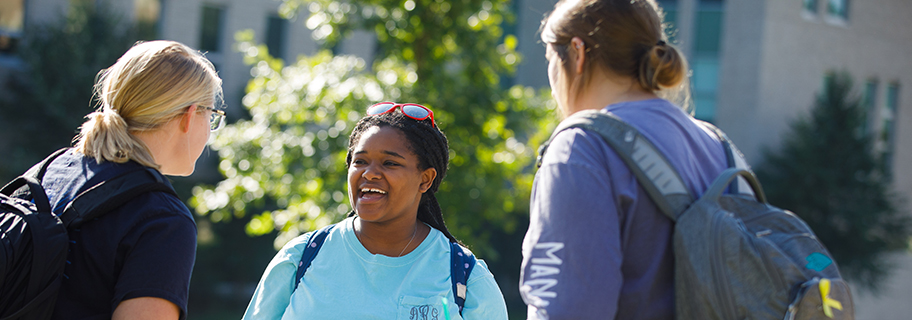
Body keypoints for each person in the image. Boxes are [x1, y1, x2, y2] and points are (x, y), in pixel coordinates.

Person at [519, 0, 741, 319]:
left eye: (550, 58)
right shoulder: (718, 145)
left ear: (578, 53)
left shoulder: (581, 147)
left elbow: (568, 310)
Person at [243, 102, 508, 319]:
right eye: (360, 161)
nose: (370, 173)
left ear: (425, 179)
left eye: (390, 163)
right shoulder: (300, 258)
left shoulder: (465, 277)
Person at [40, 40, 224, 319]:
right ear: (189, 116)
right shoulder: (162, 221)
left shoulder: (52, 169)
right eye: (211, 116)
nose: (210, 131)